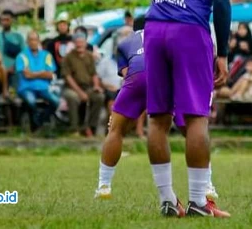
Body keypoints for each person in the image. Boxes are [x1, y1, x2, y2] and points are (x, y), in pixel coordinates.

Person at [136, 0, 233, 217]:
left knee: (158, 118)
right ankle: (198, 201)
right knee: (196, 118)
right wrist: (224, 52)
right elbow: (221, 4)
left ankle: (167, 199)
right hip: (189, 32)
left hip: (153, 30)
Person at [94, 19, 220, 202]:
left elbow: (127, 73)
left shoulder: (124, 42)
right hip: (167, 79)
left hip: (136, 77)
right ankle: (207, 185)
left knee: (115, 130)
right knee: (192, 130)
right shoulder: (167, 34)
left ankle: (103, 186)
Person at [61, 31, 105, 138]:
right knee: (73, 97)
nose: (79, 44)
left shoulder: (90, 56)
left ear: (85, 43)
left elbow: (93, 74)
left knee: (99, 97)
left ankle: (90, 127)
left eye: (82, 42)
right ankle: (74, 128)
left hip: (87, 87)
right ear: (74, 43)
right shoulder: (68, 57)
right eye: (77, 42)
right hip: (71, 88)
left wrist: (96, 86)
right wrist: (80, 93)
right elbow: (68, 77)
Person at [16, 31, 59, 130]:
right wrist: (42, 73)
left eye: (35, 39)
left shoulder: (46, 55)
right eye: (31, 40)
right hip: (26, 87)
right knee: (31, 102)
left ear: (39, 41)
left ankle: (40, 120)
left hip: (43, 87)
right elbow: (27, 75)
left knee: (56, 101)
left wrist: (33, 74)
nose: (33, 42)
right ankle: (37, 125)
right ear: (27, 41)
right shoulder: (22, 56)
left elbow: (50, 74)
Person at [0, 10, 24, 91]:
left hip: (15, 71)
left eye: (7, 20)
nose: (4, 22)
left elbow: (23, 55)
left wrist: (14, 67)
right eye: (2, 20)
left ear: (12, 20)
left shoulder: (18, 36)